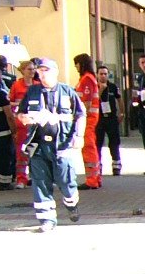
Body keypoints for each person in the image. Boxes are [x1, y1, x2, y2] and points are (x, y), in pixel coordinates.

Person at [16, 57, 85, 233]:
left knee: (66, 180)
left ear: (55, 72)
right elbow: (21, 114)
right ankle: (47, 219)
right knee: (40, 182)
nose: (42, 74)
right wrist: (26, 118)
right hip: (38, 145)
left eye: (46, 70)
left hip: (62, 145)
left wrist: (79, 135)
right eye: (40, 71)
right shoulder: (32, 92)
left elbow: (80, 114)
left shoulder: (67, 91)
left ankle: (71, 204)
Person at [73, 54, 101, 189]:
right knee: (91, 147)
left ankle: (92, 180)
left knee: (88, 148)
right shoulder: (89, 78)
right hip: (90, 117)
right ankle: (95, 178)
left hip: (87, 118)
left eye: (77, 64)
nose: (76, 67)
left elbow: (87, 102)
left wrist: (78, 117)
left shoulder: (86, 79)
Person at [7, 57, 36, 187]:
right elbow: (9, 102)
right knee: (21, 151)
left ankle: (36, 177)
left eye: (34, 69)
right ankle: (21, 178)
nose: (32, 71)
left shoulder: (37, 86)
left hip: (35, 123)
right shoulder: (16, 85)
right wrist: (19, 104)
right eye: (29, 69)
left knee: (36, 151)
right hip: (21, 122)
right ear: (23, 71)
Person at [96, 65, 123, 175]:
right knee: (98, 144)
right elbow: (93, 100)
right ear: (97, 75)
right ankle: (98, 168)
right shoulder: (94, 87)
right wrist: (100, 90)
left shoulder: (113, 87)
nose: (103, 76)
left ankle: (116, 167)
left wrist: (122, 113)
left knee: (114, 143)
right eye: (101, 74)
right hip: (99, 119)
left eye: (105, 74)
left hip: (111, 118)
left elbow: (119, 99)